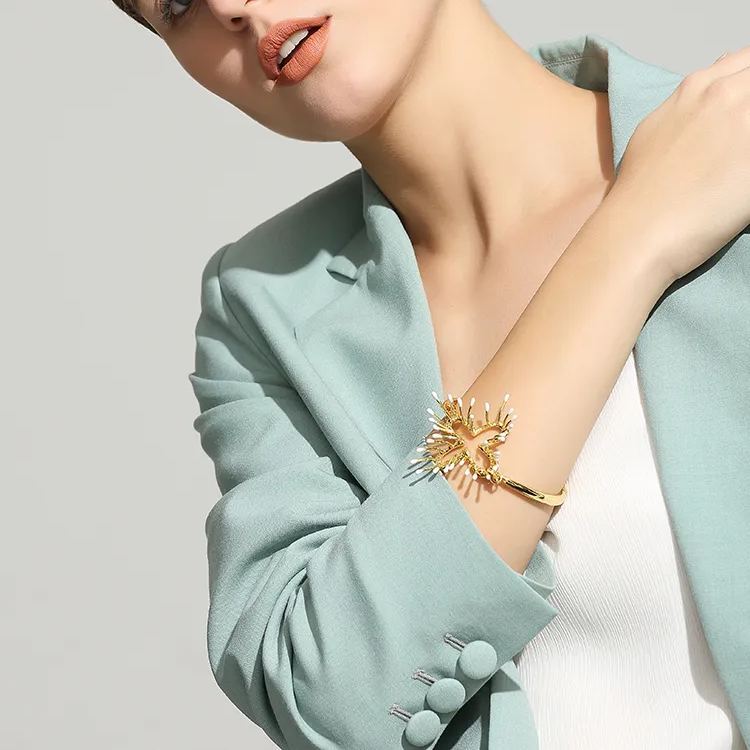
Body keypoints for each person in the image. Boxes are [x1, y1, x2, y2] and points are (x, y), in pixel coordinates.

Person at [111, 2, 750, 748]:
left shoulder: (731, 142)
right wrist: (627, 240)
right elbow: (335, 700)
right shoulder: (263, 311)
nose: (226, 4)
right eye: (174, 5)